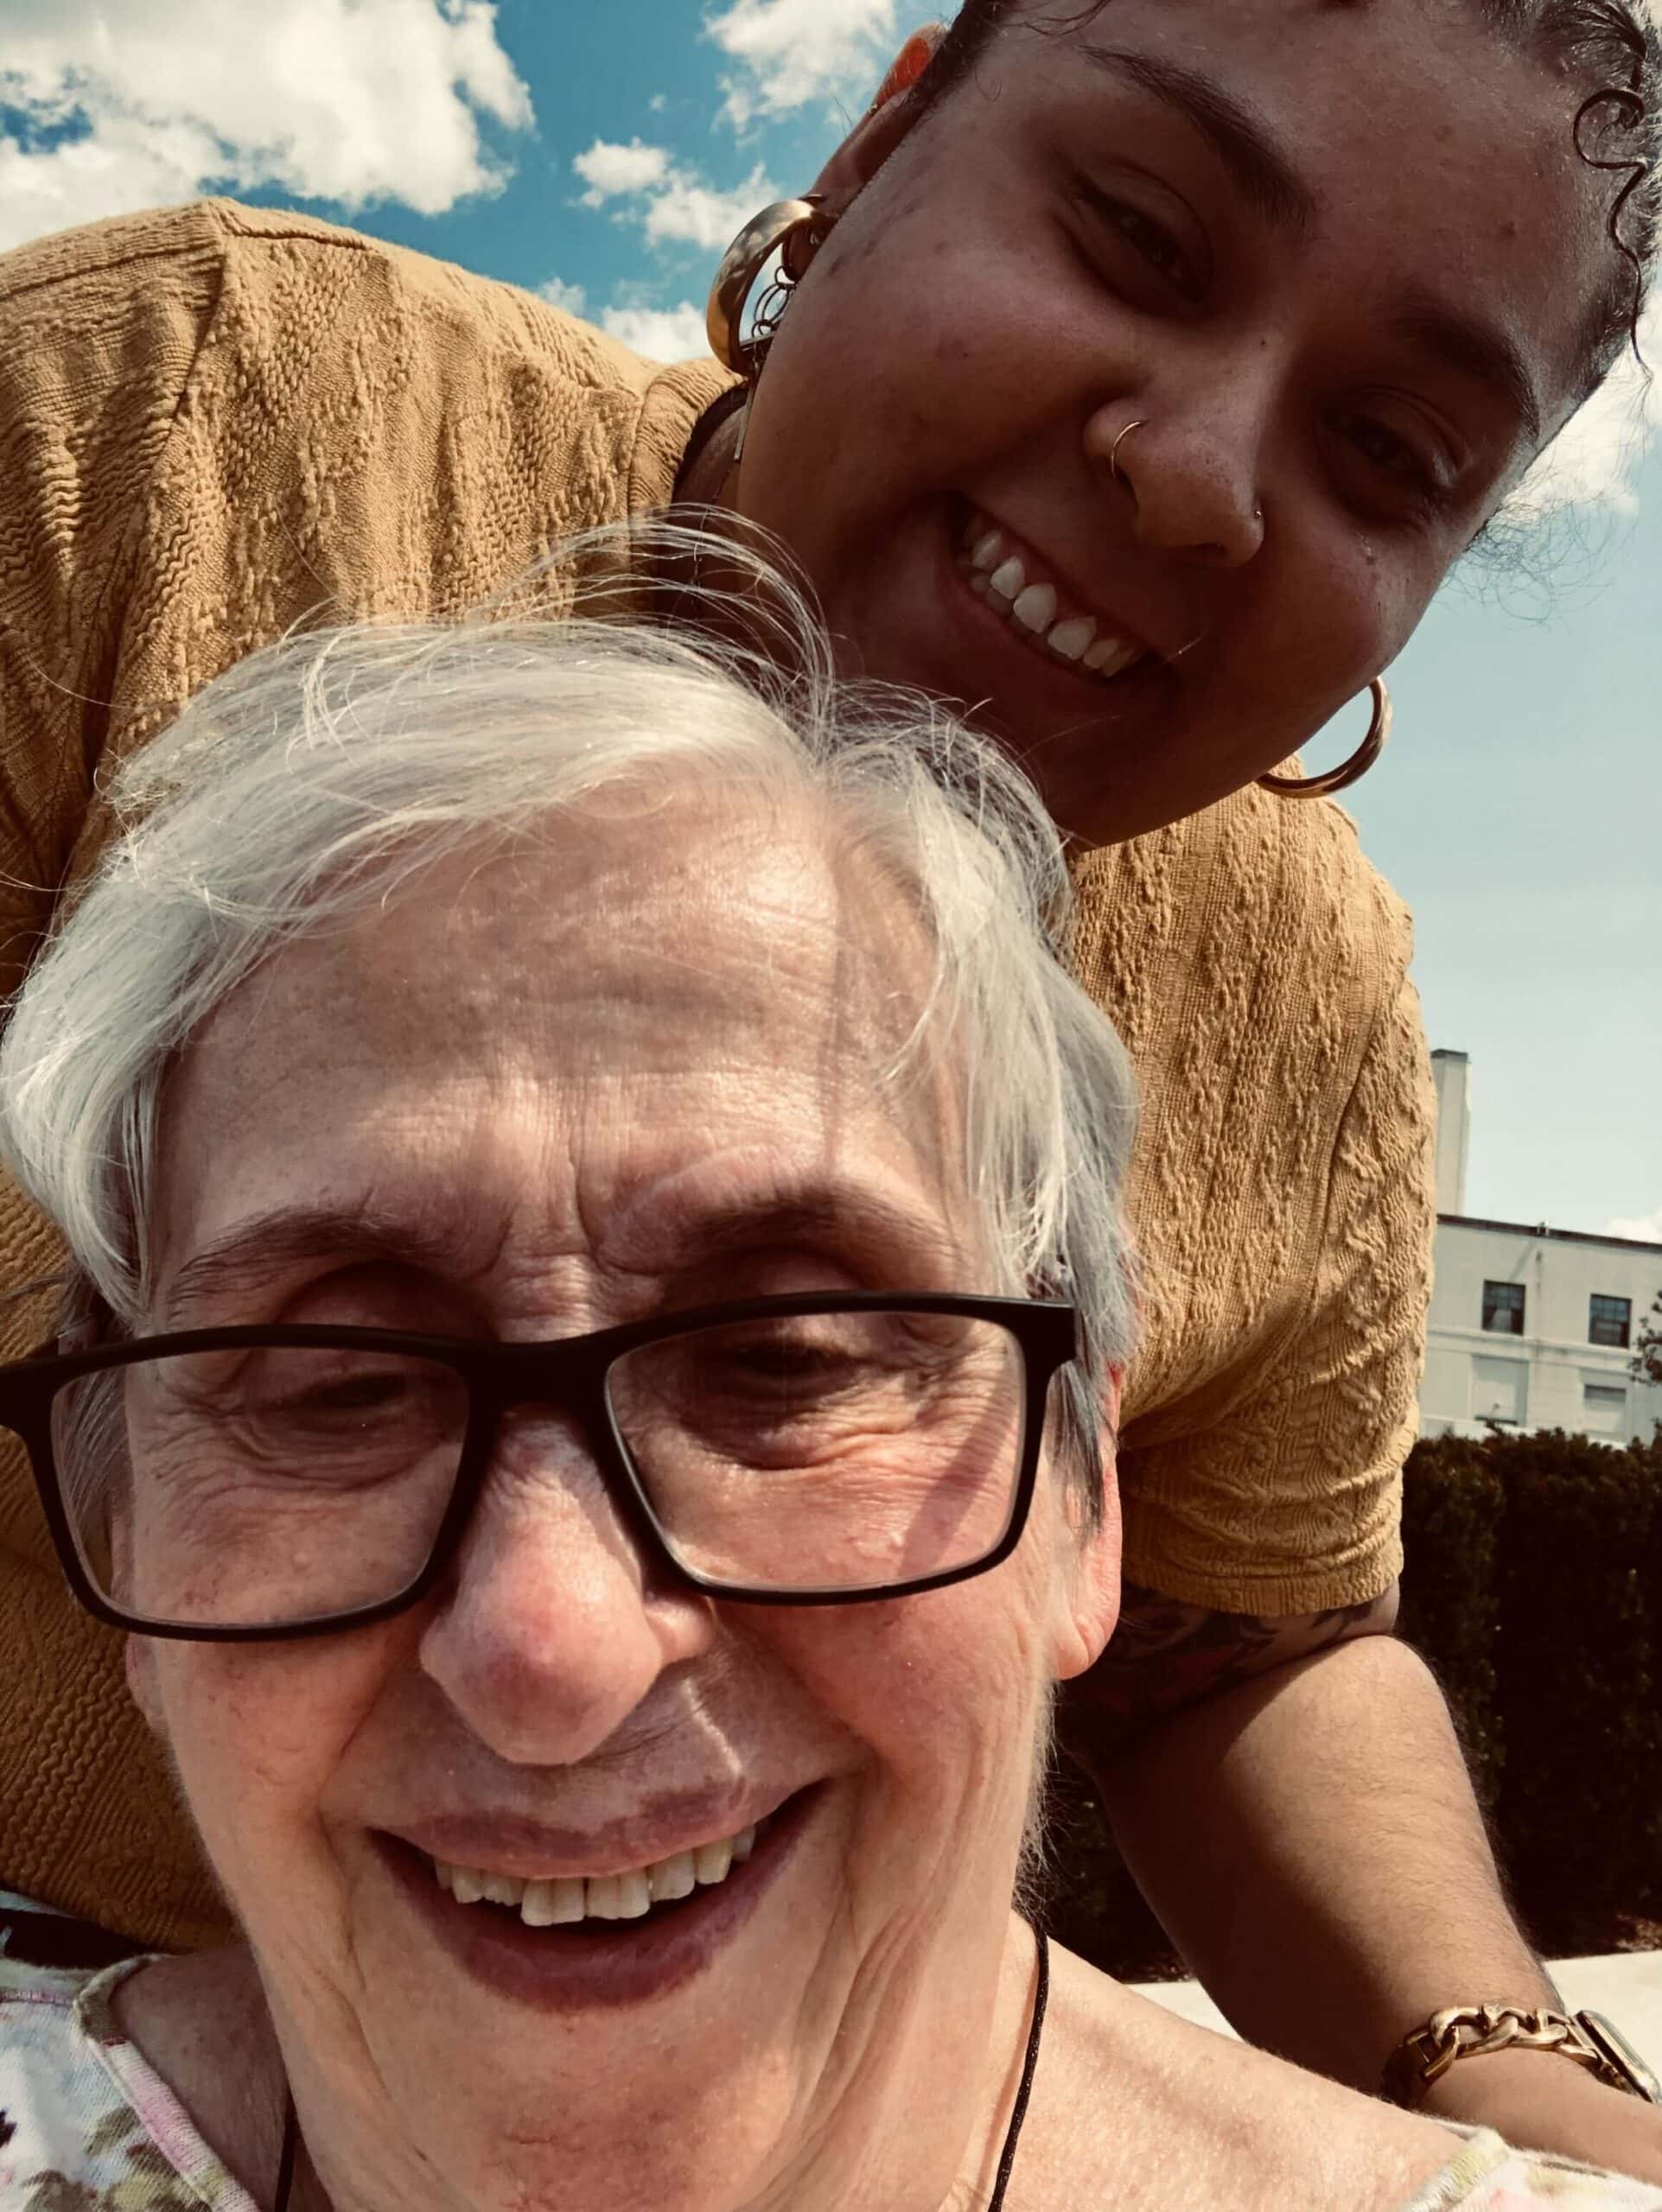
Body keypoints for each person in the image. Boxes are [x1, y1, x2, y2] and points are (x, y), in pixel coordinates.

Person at [0, 0, 1659, 2174]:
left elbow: (1233, 1646)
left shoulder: (1304, 990)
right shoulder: (160, 433)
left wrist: (1501, 2089)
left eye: (1388, 456)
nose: (1192, 473)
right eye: (1140, 237)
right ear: (871, 160)